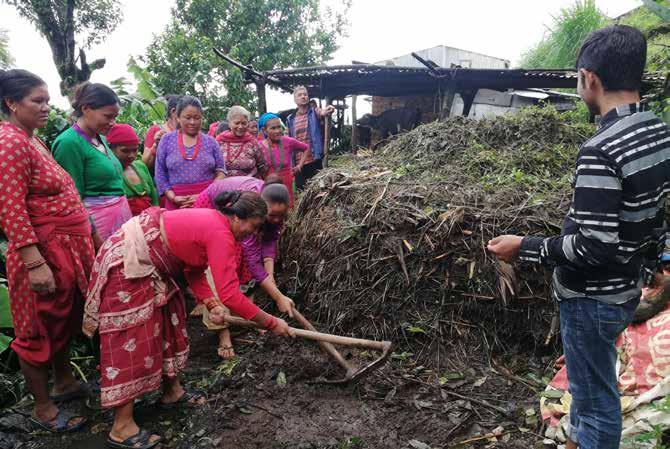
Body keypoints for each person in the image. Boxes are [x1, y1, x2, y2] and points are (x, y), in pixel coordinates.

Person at [487, 26, 670, 449]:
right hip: (626, 290)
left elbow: (593, 246)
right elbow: (657, 212)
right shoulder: (658, 132)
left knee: (594, 403)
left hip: (592, 301)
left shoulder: (601, 149)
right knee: (596, 388)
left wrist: (525, 247)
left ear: (589, 78)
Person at [83, 192, 294, 448]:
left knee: (170, 318)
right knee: (133, 337)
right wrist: (271, 322)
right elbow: (231, 294)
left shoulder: (218, 226)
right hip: (129, 263)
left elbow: (192, 268)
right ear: (238, 217)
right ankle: (121, 426)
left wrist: (211, 302)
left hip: (153, 264)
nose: (252, 233)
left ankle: (173, 392)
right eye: (254, 226)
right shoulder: (220, 232)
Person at [0, 69, 96, 432]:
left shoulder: (30, 138)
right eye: (36, 101)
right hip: (43, 254)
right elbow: (10, 206)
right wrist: (34, 261)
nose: (46, 107)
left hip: (64, 249)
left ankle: (64, 382)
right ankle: (43, 409)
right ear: (11, 103)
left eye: (47, 101)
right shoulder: (9, 142)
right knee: (37, 327)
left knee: (62, 319)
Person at [193, 175, 294, 358]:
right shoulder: (249, 210)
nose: (277, 220)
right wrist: (278, 297)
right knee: (222, 269)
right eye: (272, 215)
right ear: (262, 209)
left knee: (245, 271)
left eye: (281, 216)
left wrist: (270, 276)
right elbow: (254, 261)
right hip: (212, 206)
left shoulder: (270, 207)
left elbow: (270, 239)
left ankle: (245, 320)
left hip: (242, 219)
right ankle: (223, 334)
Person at [53, 82, 131, 244]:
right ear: (86, 109)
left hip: (119, 218)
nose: (113, 122)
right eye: (108, 116)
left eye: (115, 117)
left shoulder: (100, 139)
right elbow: (73, 198)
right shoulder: (69, 143)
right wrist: (95, 238)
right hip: (97, 227)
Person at [155, 96, 226, 210]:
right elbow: (160, 173)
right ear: (178, 117)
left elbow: (221, 171)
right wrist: (172, 197)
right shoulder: (166, 140)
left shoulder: (211, 142)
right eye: (187, 118)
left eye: (197, 118)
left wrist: (204, 194)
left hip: (206, 201)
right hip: (176, 202)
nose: (192, 122)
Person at [286, 86, 334, 189]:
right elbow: (287, 140)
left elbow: (322, 112)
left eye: (305, 94)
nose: (303, 96)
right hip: (298, 163)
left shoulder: (314, 112)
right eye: (300, 95)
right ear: (295, 99)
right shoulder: (291, 119)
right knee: (301, 191)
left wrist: (327, 110)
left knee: (318, 190)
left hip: (313, 158)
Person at [107, 124, 158, 216]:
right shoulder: (108, 172)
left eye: (134, 150)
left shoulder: (141, 166)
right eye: (125, 151)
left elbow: (154, 200)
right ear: (111, 149)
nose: (131, 155)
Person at [259, 113, 308, 208]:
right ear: (264, 130)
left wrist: (299, 166)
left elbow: (306, 148)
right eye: (273, 128)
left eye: (279, 127)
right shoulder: (258, 146)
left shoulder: (288, 141)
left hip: (286, 184)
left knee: (286, 210)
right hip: (269, 185)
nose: (277, 131)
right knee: (271, 210)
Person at [216, 106, 268, 179]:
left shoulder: (253, 142)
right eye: (237, 123)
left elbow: (262, 166)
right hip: (225, 186)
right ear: (230, 124)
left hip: (249, 186)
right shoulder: (219, 141)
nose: (240, 126)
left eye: (244, 123)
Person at [143, 94, 180, 171]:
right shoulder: (156, 130)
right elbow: (145, 165)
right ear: (173, 111)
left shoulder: (189, 133)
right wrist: (156, 146)